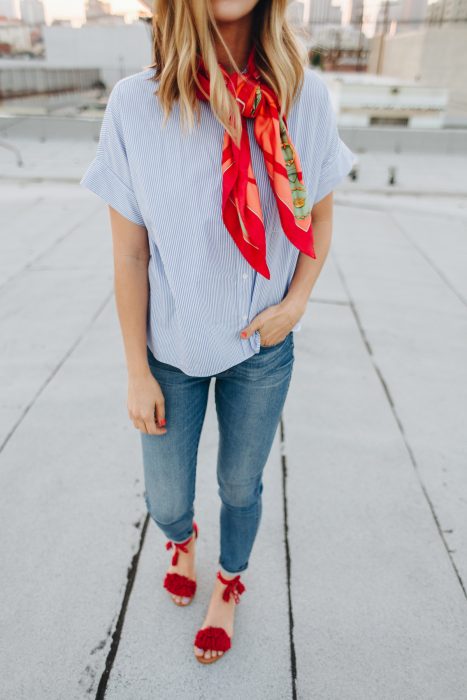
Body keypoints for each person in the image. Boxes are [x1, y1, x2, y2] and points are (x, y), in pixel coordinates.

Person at [80, 0, 356, 665]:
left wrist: (295, 304)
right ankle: (181, 539)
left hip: (261, 351)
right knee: (166, 498)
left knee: (242, 484)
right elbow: (129, 254)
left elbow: (317, 216)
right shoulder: (135, 105)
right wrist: (136, 371)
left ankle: (229, 582)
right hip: (171, 350)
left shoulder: (303, 96)